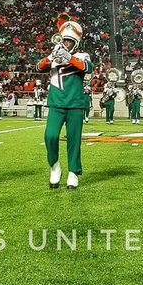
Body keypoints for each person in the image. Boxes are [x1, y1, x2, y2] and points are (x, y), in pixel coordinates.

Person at [37, 15, 93, 189]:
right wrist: (50, 58)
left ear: (75, 42)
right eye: (64, 40)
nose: (65, 43)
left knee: (74, 140)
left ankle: (73, 172)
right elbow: (38, 68)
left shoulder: (82, 55)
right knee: (50, 136)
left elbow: (88, 68)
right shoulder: (54, 54)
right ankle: (54, 166)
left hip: (75, 103)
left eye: (69, 41)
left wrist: (68, 57)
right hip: (56, 103)